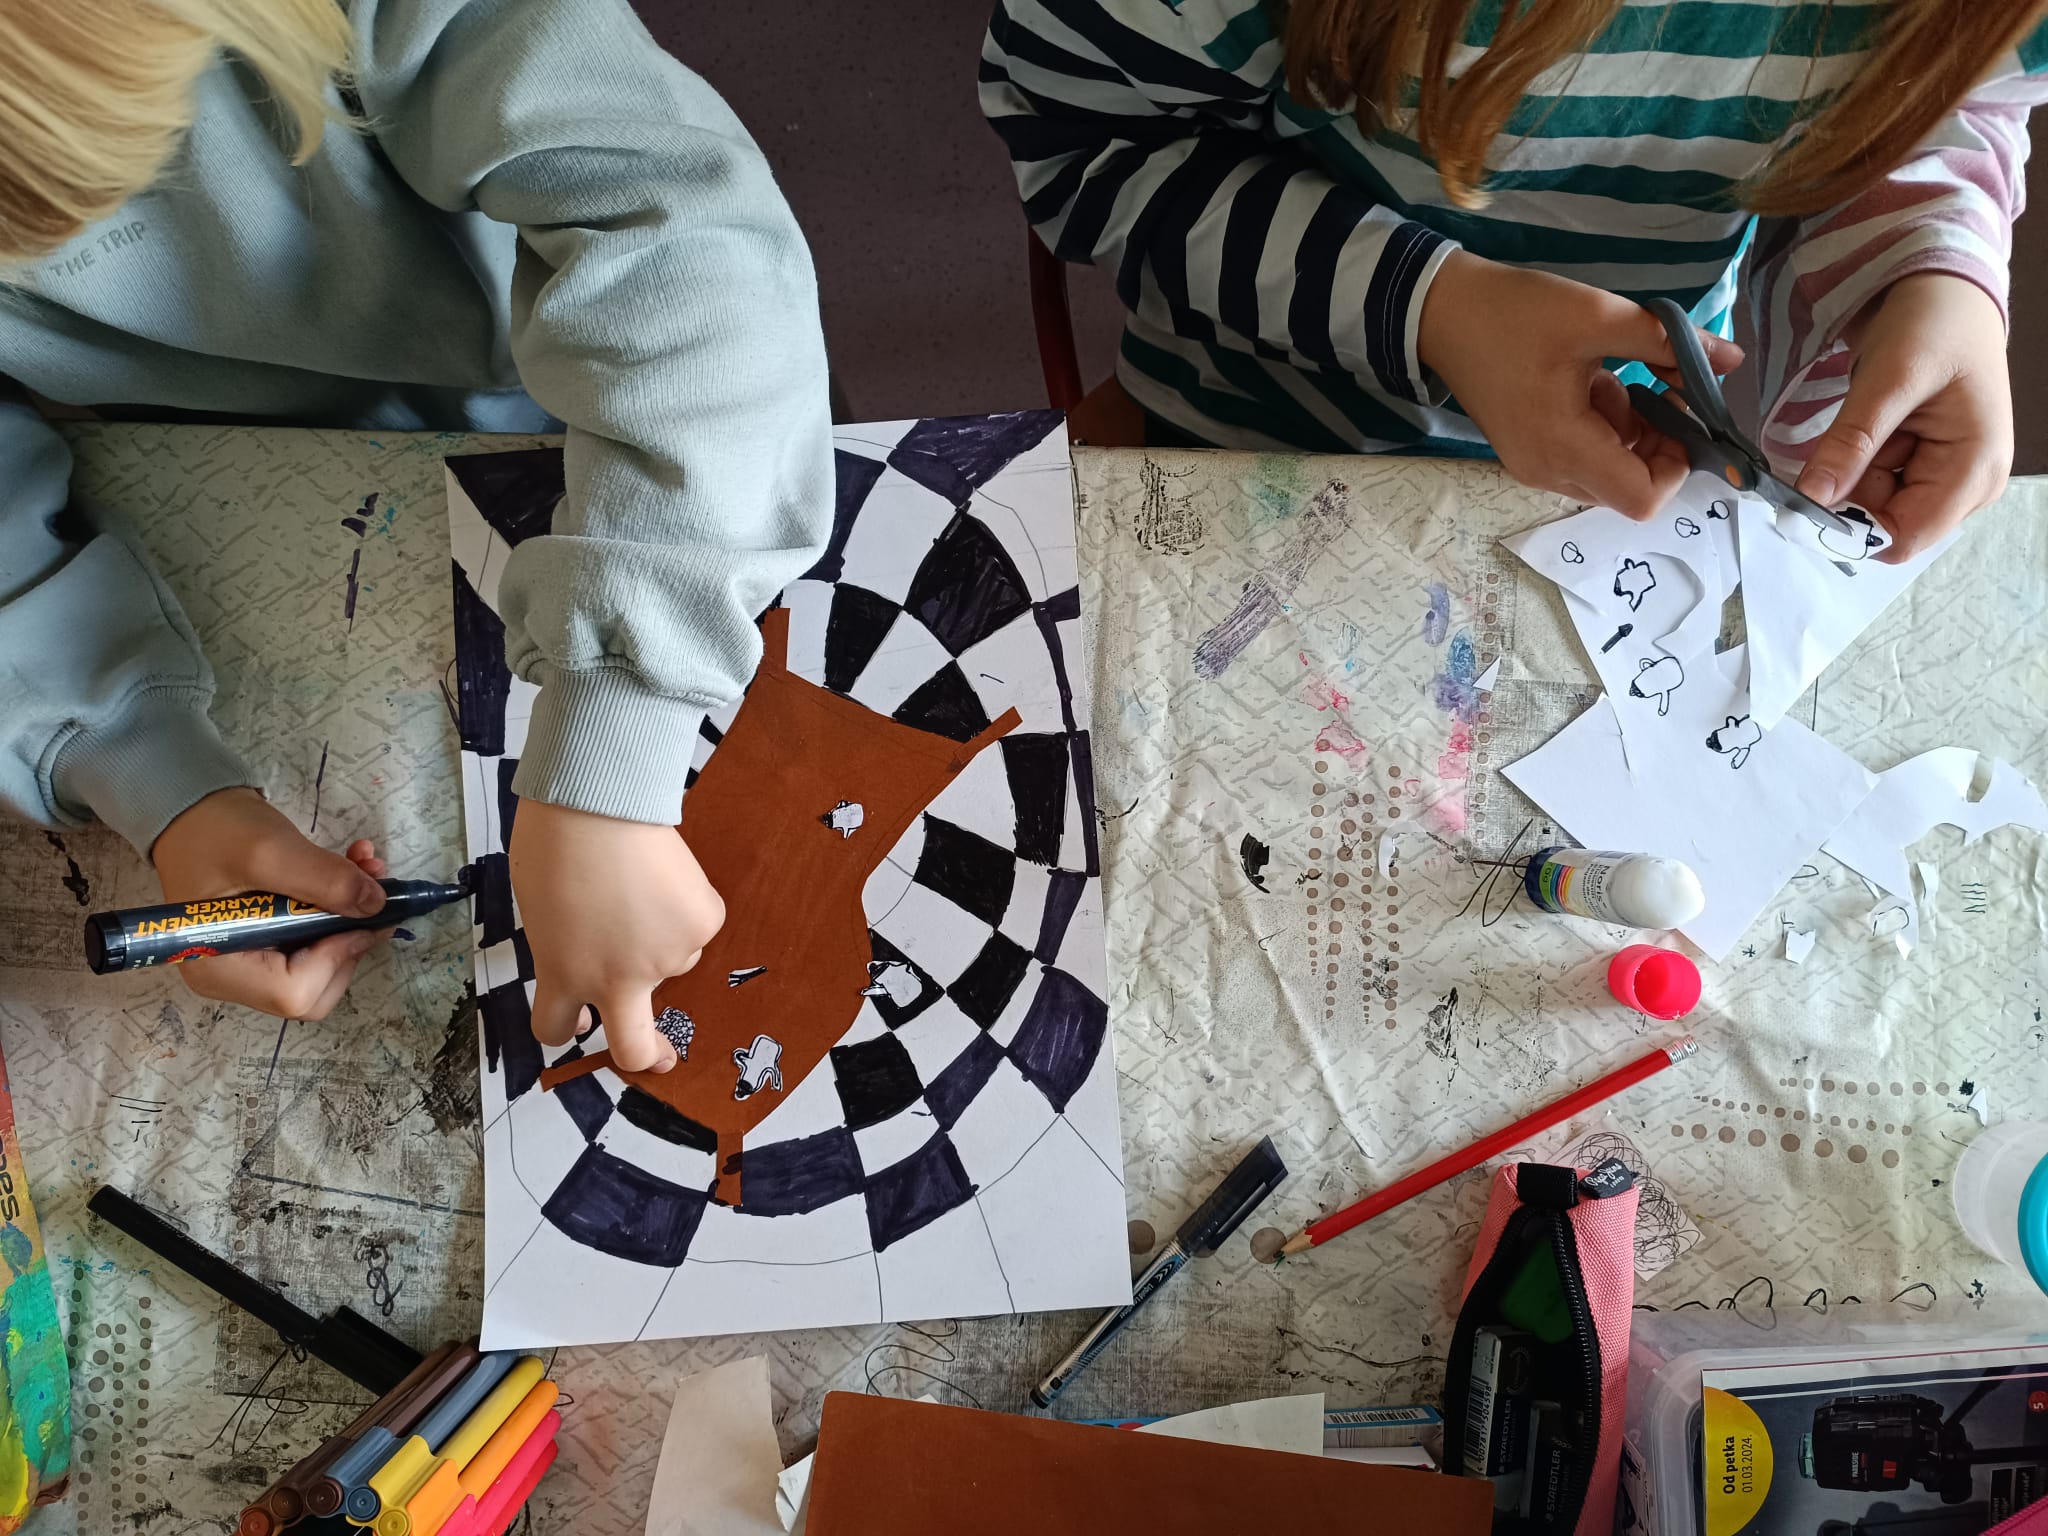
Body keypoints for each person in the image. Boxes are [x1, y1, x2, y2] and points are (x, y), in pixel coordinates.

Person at [0, 0, 832, 1072]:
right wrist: (155, 781)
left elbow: (684, 239)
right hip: (252, 491)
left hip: (667, 423)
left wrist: (616, 734)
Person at [981, 0, 2048, 560]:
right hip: (1243, 439)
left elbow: (1949, 98)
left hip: (1633, 486)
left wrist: (1931, 264)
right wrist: (1428, 305)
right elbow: (1084, 143)